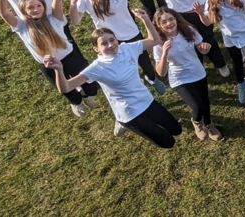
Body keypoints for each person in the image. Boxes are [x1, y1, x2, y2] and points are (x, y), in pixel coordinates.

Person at [45, 14, 184, 149]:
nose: (110, 44)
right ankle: (123, 123)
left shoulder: (127, 49)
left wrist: (146, 19)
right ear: (96, 49)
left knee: (177, 130)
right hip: (130, 113)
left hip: (147, 100)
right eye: (104, 43)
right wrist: (58, 70)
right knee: (168, 142)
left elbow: (154, 40)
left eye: (112, 40)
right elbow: (66, 87)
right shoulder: (97, 67)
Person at [0, 0, 99, 117]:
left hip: (70, 57)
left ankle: (88, 95)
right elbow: (4, 13)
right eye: (30, 8)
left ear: (44, 6)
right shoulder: (22, 26)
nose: (35, 9)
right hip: (49, 64)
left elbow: (57, 0)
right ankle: (76, 102)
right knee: (65, 88)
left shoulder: (55, 17)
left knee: (89, 84)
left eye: (38, 6)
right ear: (24, 11)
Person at [69, 0, 165, 95]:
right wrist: (73, 3)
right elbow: (75, 21)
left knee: (144, 60)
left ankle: (151, 78)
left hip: (131, 32)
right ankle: (133, 84)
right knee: (121, 66)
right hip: (110, 40)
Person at [153, 8, 222, 141]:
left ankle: (209, 124)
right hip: (179, 79)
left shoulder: (188, 30)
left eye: (171, 19)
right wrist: (164, 53)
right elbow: (161, 72)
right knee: (197, 106)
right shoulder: (159, 43)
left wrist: (205, 48)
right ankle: (197, 122)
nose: (169, 23)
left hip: (197, 72)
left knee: (205, 102)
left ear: (176, 19)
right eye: (164, 22)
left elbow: (201, 48)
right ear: (159, 25)